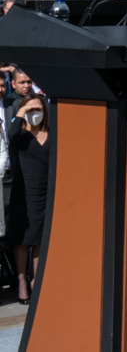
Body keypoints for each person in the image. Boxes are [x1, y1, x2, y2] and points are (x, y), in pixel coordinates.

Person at [8, 93, 49, 304]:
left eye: (39, 109)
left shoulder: (51, 134)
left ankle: (37, 281)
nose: (36, 113)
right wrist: (22, 111)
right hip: (23, 194)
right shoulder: (20, 135)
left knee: (40, 239)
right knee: (23, 239)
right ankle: (22, 281)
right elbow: (11, 133)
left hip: (45, 193)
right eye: (31, 110)